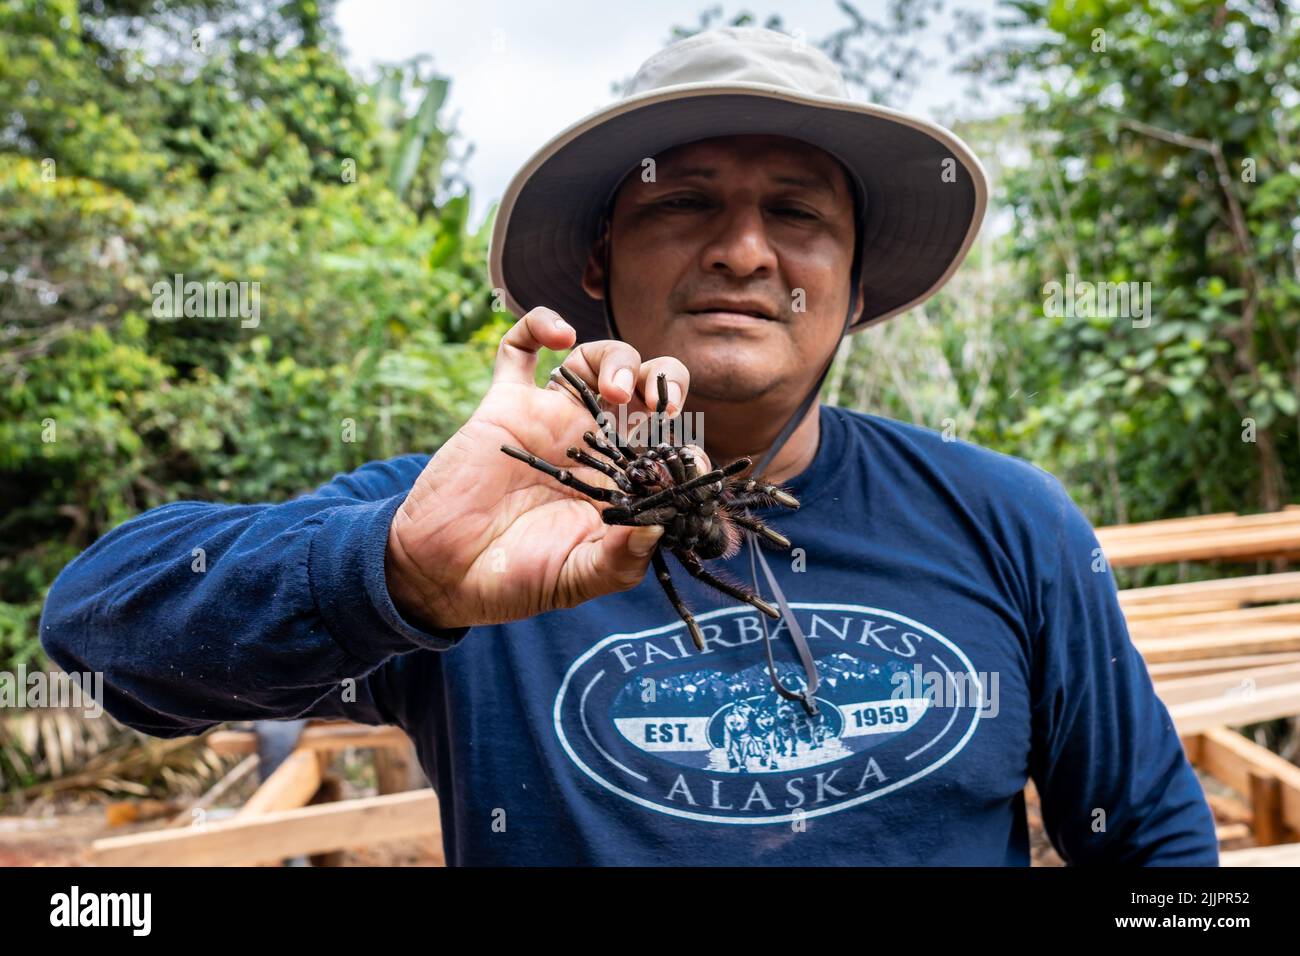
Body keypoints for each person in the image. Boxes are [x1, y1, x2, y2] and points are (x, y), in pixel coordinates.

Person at [40, 27, 1217, 865]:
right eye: (682, 202)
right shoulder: (485, 518)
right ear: (597, 269)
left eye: (798, 213)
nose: (745, 251)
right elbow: (97, 630)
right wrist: (395, 575)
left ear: (855, 289)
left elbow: (1156, 841)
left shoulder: (1009, 523)